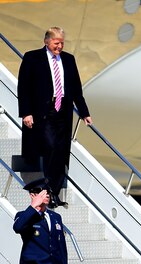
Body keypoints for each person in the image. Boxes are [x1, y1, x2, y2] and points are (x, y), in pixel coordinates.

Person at [17, 26, 92, 208]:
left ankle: (55, 193)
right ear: (46, 41)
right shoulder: (32, 57)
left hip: (63, 111)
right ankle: (46, 189)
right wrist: (26, 113)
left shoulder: (68, 59)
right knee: (49, 147)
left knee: (60, 151)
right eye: (56, 43)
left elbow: (76, 88)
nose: (59, 46)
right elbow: (24, 87)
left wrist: (84, 112)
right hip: (44, 111)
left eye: (62, 43)